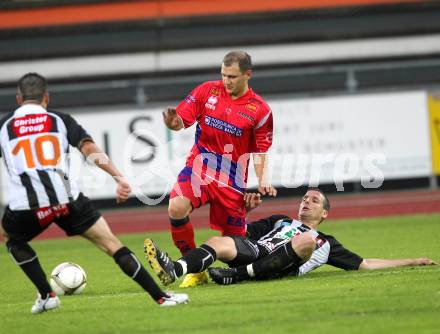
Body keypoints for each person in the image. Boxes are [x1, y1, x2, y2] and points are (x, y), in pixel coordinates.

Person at [0, 73, 188, 314]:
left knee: (12, 238)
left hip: (27, 206)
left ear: (18, 99)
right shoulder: (59, 119)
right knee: (112, 245)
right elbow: (89, 148)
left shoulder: (5, 127)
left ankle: (47, 295)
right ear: (46, 97)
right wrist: (118, 178)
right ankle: (162, 298)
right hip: (68, 200)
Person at [143, 189, 436, 287]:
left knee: (307, 240)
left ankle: (238, 275)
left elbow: (366, 263)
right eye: (305, 198)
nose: (306, 202)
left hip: (284, 265)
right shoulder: (279, 220)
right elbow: (240, 235)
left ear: (324, 214)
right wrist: (243, 210)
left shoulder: (325, 240)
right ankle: (174, 269)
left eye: (314, 201)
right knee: (218, 241)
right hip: (258, 252)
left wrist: (414, 260)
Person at [160, 50, 276, 287]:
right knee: (176, 207)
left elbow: (260, 150)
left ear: (248, 75)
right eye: (223, 75)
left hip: (231, 180)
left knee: (235, 246)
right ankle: (192, 268)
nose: (226, 81)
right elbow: (181, 121)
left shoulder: (260, 111)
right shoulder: (206, 91)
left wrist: (264, 180)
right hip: (199, 167)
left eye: (232, 76)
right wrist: (174, 124)